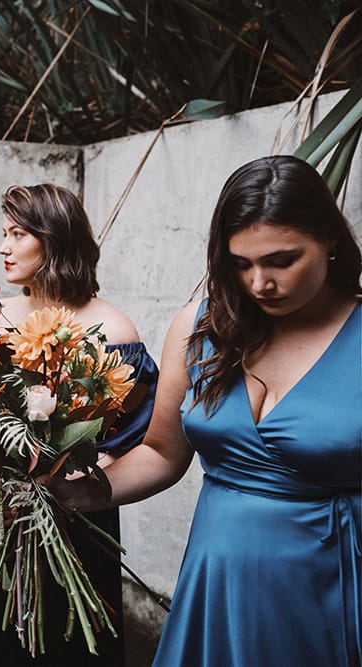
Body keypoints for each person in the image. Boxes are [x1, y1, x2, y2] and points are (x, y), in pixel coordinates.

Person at [50, 155, 361, 666]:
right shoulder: (200, 328)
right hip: (216, 581)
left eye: (281, 260)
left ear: (329, 238)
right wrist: (73, 492)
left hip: (328, 585)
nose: (259, 283)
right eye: (241, 264)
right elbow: (161, 453)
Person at [0, 184, 159, 666]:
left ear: (54, 239)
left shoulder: (113, 331)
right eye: (4, 233)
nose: (3, 247)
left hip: (68, 519)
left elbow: (123, 443)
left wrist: (56, 489)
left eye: (18, 234)